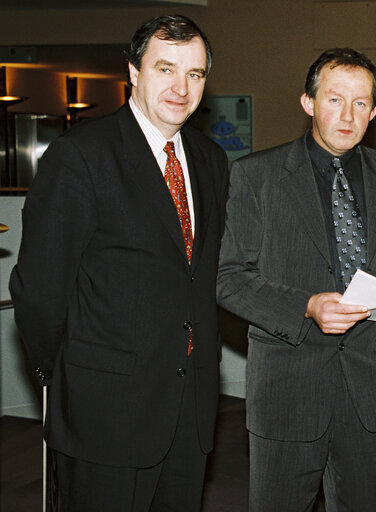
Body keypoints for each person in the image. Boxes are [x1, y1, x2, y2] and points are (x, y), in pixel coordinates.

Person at [9, 15, 228, 511]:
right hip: (103, 411)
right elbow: (39, 290)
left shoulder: (210, 160)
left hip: (189, 408)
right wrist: (67, 375)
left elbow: (197, 276)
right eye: (165, 68)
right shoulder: (81, 156)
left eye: (194, 74)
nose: (180, 86)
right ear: (133, 73)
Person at [216, 48, 376, 511]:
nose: (348, 115)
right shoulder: (256, 177)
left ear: (375, 111)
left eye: (361, 103)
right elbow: (228, 278)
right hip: (289, 392)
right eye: (334, 99)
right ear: (308, 102)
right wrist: (306, 305)